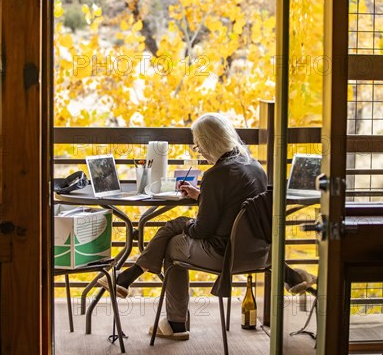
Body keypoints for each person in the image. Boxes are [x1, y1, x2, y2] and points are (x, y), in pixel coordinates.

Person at [98, 113, 268, 340]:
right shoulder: (255, 167)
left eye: (198, 147)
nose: (200, 152)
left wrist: (186, 225)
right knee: (175, 230)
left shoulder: (216, 174)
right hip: (258, 253)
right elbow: (234, 209)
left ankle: (175, 322)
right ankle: (129, 278)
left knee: (171, 243)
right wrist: (201, 196)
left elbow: (202, 231)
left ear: (208, 143)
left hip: (224, 255)